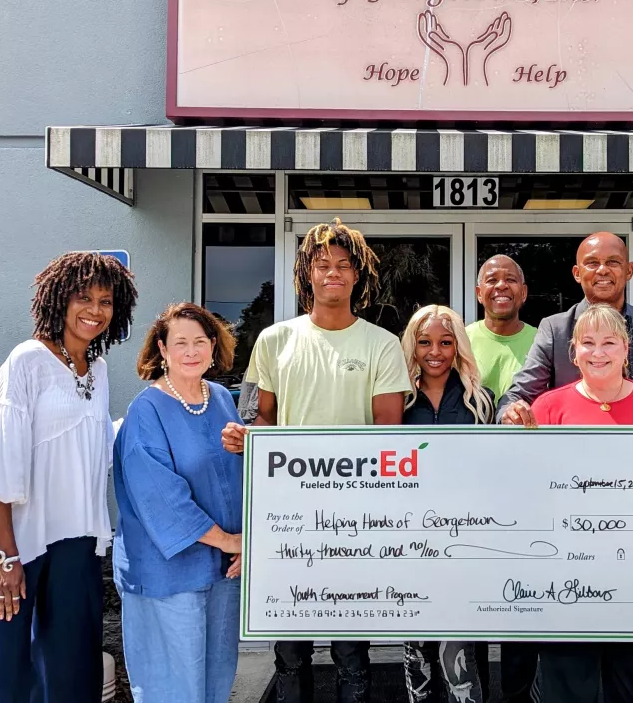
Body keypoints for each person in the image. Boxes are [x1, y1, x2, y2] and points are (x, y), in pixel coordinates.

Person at [222, 218, 411, 703]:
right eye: (323, 264)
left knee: (351, 647)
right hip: (288, 512)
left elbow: (387, 434)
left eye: (344, 266)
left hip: (356, 514)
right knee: (290, 644)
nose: (333, 273)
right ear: (307, 271)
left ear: (357, 275)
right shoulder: (273, 340)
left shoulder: (381, 344)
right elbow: (262, 418)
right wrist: (247, 437)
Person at [500, 303, 633, 703]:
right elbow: (526, 481)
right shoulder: (549, 408)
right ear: (573, 352)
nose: (598, 352)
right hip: (565, 564)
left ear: (627, 349)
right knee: (567, 672)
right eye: (587, 343)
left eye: (609, 342)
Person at [0, 252, 137, 703]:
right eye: (84, 297)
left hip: (76, 539)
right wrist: (7, 557)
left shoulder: (97, 371)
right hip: (17, 541)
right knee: (0, 675)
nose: (95, 310)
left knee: (71, 674)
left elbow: (95, 445)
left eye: (106, 301)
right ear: (60, 298)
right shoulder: (26, 361)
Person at [113, 302, 243, 703]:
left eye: (200, 342)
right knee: (173, 690)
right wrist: (232, 541)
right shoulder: (146, 410)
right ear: (162, 351)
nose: (191, 351)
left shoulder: (220, 398)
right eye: (181, 343)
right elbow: (161, 499)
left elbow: (236, 479)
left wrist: (246, 545)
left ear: (212, 347)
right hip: (166, 576)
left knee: (216, 683)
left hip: (224, 572)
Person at [400, 305, 495, 703]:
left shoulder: (482, 401)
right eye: (424, 342)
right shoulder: (396, 401)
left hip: (465, 542)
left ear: (458, 346)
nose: (434, 351)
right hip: (410, 541)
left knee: (464, 650)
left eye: (445, 341)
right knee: (417, 648)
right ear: (412, 346)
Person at [496, 232, 633, 422]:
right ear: (577, 273)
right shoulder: (555, 330)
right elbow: (518, 395)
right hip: (579, 444)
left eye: (613, 262)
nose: (602, 270)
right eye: (592, 263)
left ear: (629, 270)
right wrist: (510, 412)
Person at [465, 255, 538, 703]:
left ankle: (516, 695)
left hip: (526, 493)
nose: (500, 286)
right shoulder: (460, 341)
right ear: (478, 293)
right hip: (469, 492)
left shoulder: (544, 341)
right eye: (491, 279)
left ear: (524, 292)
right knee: (471, 604)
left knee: (521, 607)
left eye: (511, 279)